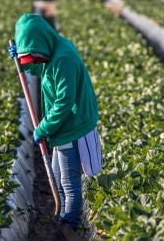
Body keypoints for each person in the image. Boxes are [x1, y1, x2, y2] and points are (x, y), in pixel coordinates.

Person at [8, 14, 102, 231]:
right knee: (57, 176)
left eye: (34, 57)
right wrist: (22, 62)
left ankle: (70, 224)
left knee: (69, 182)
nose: (35, 62)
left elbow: (64, 102)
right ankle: (63, 216)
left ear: (42, 44)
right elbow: (41, 67)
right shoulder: (52, 50)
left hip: (71, 125)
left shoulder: (63, 58)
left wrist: (43, 128)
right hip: (61, 125)